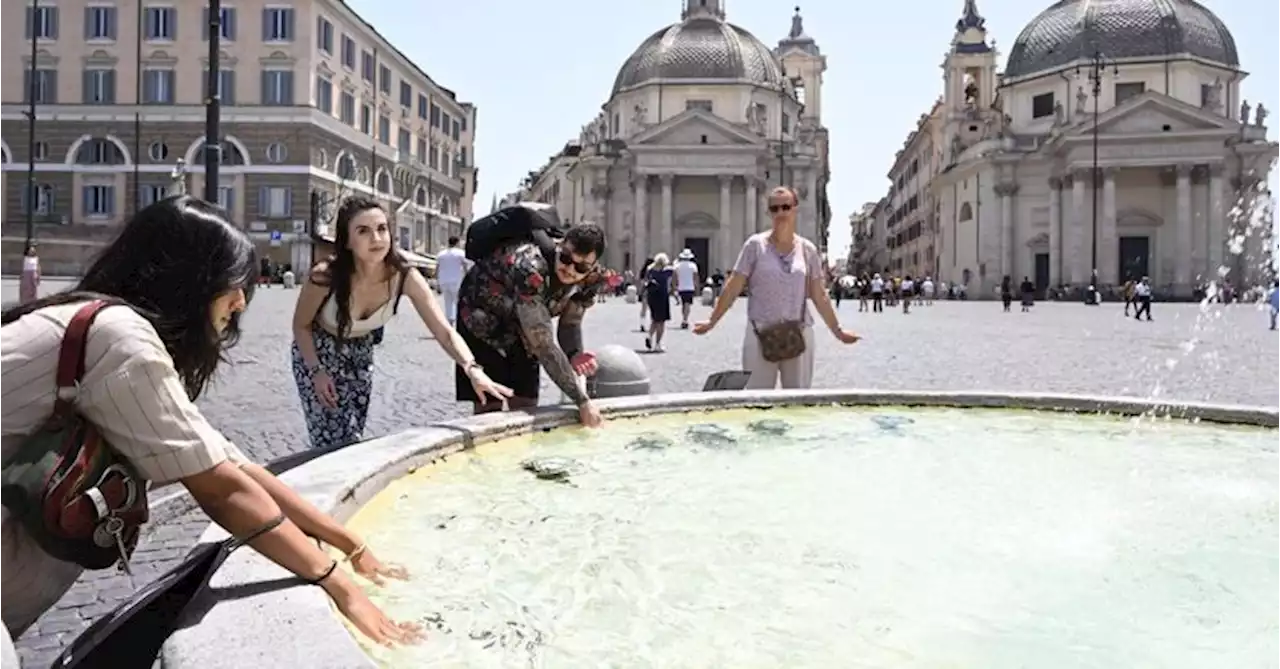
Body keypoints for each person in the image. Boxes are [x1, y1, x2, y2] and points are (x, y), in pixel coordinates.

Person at [0, 196, 421, 659]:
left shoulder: (113, 329)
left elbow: (229, 463)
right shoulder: (119, 339)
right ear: (186, 278)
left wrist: (354, 546)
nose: (241, 303)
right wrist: (339, 584)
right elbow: (221, 490)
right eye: (234, 284)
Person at [291, 197, 510, 450]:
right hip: (317, 352)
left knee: (352, 437)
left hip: (360, 354)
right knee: (330, 440)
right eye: (363, 231)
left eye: (382, 229)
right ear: (348, 241)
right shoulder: (325, 275)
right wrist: (316, 372)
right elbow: (301, 326)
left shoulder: (404, 275)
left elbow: (444, 331)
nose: (377, 238)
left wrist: (472, 369)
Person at [694, 186, 860, 389]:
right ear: (769, 212)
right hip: (759, 333)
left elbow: (819, 295)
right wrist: (712, 321)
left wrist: (838, 331)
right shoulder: (755, 246)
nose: (780, 213)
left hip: (798, 334)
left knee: (797, 402)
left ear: (795, 209)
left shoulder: (808, 250)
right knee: (758, 400)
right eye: (775, 208)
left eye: (786, 207)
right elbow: (733, 286)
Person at [456, 222, 608, 426]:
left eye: (581, 266)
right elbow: (543, 345)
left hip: (525, 321)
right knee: (490, 403)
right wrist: (582, 401)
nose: (570, 269)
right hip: (482, 315)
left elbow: (570, 321)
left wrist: (574, 353)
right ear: (560, 245)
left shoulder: (592, 280)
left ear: (593, 266)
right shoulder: (531, 269)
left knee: (526, 401)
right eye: (565, 258)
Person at [435, 236, 468, 328]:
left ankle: (449, 320)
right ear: (457, 243)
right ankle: (458, 321)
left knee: (447, 302)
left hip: (444, 281)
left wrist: (437, 281)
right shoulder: (460, 253)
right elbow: (465, 266)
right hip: (456, 280)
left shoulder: (441, 254)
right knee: (458, 302)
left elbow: (437, 268)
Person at [644, 253, 675, 352]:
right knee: (661, 322)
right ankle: (658, 344)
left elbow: (645, 281)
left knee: (654, 319)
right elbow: (675, 276)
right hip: (662, 296)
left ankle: (649, 335)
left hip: (651, 296)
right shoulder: (668, 271)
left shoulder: (650, 270)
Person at [673, 248, 699, 328]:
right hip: (690, 287)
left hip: (681, 287)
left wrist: (674, 286)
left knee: (684, 304)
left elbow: (674, 277)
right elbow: (695, 277)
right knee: (687, 303)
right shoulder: (693, 265)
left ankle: (684, 319)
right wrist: (696, 286)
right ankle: (685, 319)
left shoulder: (677, 265)